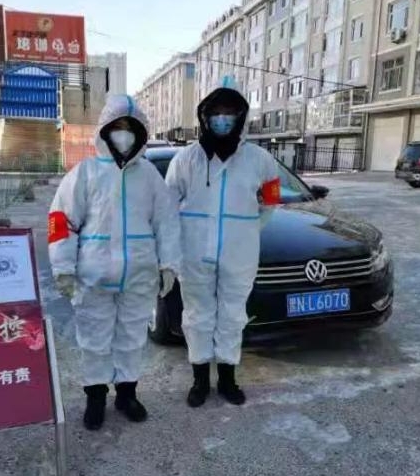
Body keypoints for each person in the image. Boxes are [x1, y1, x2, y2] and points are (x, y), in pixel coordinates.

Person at [48, 95, 181, 430]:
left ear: (140, 133)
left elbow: (166, 222)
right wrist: (63, 267)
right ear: (105, 130)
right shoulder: (85, 173)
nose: (124, 134)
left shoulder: (149, 176)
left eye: (130, 128)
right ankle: (95, 397)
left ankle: (126, 394)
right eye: (117, 127)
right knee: (94, 339)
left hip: (138, 276)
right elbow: (61, 221)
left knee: (132, 338)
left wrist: (169, 264)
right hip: (94, 276)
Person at [166, 78, 281, 407]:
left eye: (229, 112)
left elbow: (271, 202)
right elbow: (166, 207)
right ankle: (200, 380)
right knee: (197, 316)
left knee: (233, 316)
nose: (222, 118)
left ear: (241, 115)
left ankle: (228, 379)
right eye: (215, 112)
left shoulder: (260, 160)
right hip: (194, 253)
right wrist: (169, 253)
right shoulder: (185, 159)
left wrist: (248, 231)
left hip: (239, 254)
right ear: (204, 115)